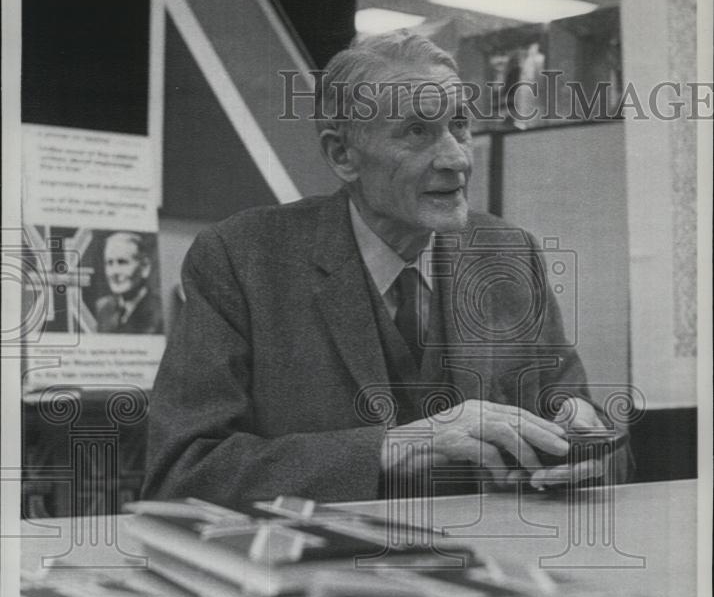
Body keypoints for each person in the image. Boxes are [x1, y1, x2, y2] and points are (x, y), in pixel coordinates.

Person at [142, 31, 630, 507]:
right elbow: (182, 474)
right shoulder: (241, 260)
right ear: (342, 155)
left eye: (459, 124)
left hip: (491, 570)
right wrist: (389, 448)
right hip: (321, 576)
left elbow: (595, 437)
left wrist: (584, 443)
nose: (456, 158)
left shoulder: (507, 255)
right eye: (417, 132)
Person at [95, 231, 164, 334]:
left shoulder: (159, 312)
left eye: (122, 262)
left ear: (145, 267)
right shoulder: (103, 308)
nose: (114, 272)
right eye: (109, 263)